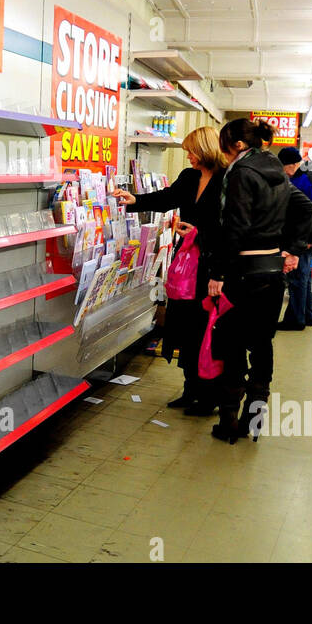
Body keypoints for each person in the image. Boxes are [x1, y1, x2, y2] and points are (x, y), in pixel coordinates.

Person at [205, 118, 312, 443]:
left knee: (233, 346)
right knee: (262, 344)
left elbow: (235, 227)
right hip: (272, 273)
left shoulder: (240, 172)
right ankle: (254, 422)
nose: (224, 154)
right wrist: (292, 249)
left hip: (242, 272)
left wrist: (218, 273)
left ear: (237, 146)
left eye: (226, 146)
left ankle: (228, 424)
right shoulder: (276, 170)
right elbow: (306, 208)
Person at [113, 127, 223, 414]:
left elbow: (230, 227)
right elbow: (166, 198)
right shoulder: (189, 177)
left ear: (207, 150)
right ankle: (190, 389)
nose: (188, 156)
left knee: (205, 329)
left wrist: (199, 234)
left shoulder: (228, 180)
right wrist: (134, 199)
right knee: (186, 326)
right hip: (186, 265)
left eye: (192, 151)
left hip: (212, 266)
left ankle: (208, 395)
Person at [276, 146, 312, 331]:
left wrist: (309, 238)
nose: (283, 172)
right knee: (304, 277)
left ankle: (295, 319)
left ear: (291, 164)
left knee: (297, 279)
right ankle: (306, 315)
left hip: (304, 237)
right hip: (303, 236)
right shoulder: (305, 175)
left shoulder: (309, 178)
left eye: (283, 167)